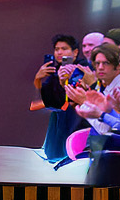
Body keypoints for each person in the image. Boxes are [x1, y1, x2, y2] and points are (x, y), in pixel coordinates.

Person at [33, 33, 84, 162]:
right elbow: (47, 102)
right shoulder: (55, 71)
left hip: (76, 122)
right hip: (58, 122)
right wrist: (38, 79)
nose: (59, 52)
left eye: (64, 49)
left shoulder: (82, 69)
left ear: (75, 52)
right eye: (57, 49)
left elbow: (73, 99)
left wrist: (66, 81)